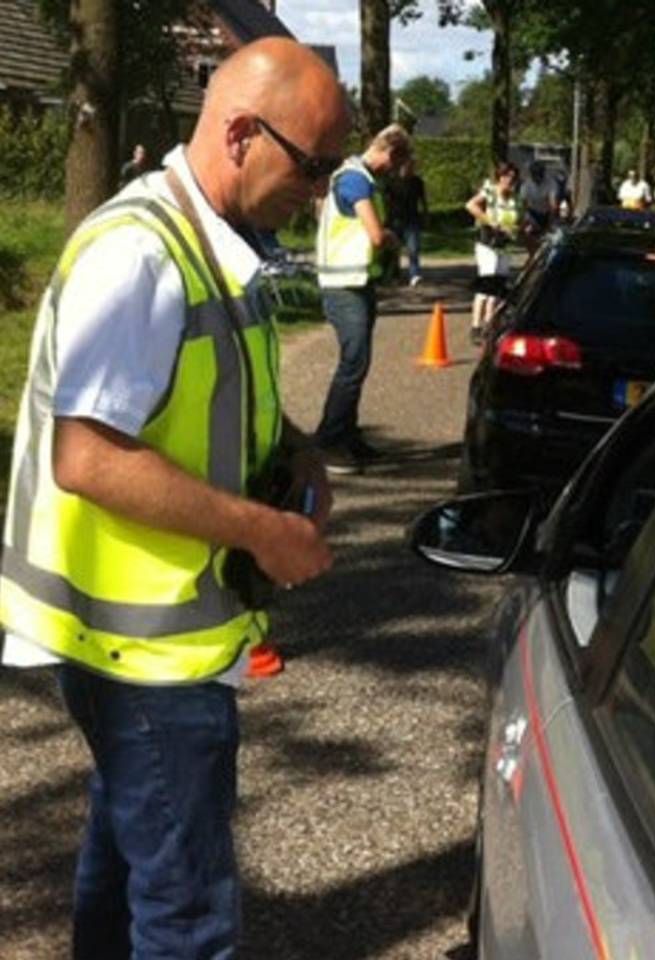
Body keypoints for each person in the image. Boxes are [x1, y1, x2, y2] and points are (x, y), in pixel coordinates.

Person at [0, 37, 344, 958]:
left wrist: (299, 453)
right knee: (188, 915)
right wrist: (265, 531)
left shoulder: (214, 244)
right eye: (313, 167)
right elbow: (89, 456)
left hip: (151, 642)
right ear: (240, 134)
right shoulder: (140, 257)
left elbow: (215, 401)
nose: (320, 193)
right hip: (141, 652)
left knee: (125, 857)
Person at [313, 123, 410, 474]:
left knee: (358, 362)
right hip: (343, 285)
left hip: (355, 282)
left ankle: (349, 437)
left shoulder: (358, 177)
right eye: (394, 164)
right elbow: (374, 234)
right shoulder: (355, 179)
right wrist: (393, 238)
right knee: (353, 362)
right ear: (389, 152)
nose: (392, 171)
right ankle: (328, 442)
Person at [465, 161, 522, 341]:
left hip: (504, 246)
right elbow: (470, 206)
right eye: (506, 177)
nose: (509, 181)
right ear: (499, 177)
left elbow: (520, 220)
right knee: (486, 286)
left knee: (497, 289)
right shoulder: (490, 191)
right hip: (487, 244)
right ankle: (476, 326)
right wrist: (490, 221)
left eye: (513, 178)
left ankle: (490, 326)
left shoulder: (515, 198)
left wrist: (517, 229)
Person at [386, 155, 428, 286]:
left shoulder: (417, 182)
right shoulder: (391, 181)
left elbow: (423, 200)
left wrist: (426, 214)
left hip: (412, 219)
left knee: (413, 249)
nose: (410, 168)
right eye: (407, 166)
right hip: (395, 219)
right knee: (394, 250)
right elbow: (386, 200)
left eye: (412, 166)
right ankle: (395, 275)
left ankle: (414, 274)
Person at [519, 160, 557, 248]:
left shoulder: (551, 183)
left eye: (539, 175)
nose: (537, 178)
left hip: (547, 212)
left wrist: (550, 222)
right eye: (534, 175)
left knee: (549, 234)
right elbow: (523, 205)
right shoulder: (526, 185)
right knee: (528, 231)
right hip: (532, 212)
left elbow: (553, 204)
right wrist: (526, 219)